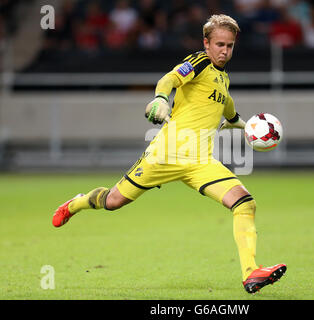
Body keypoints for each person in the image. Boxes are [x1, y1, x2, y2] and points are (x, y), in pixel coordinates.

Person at [52, 14, 286, 294]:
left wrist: (251, 129)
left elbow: (229, 112)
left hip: (200, 163)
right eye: (220, 44)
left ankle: (251, 273)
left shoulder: (223, 79)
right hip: (164, 155)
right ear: (206, 43)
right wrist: (161, 98)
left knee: (245, 203)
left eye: (230, 45)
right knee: (114, 201)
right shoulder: (199, 62)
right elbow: (169, 79)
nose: (225, 51)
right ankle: (76, 204)